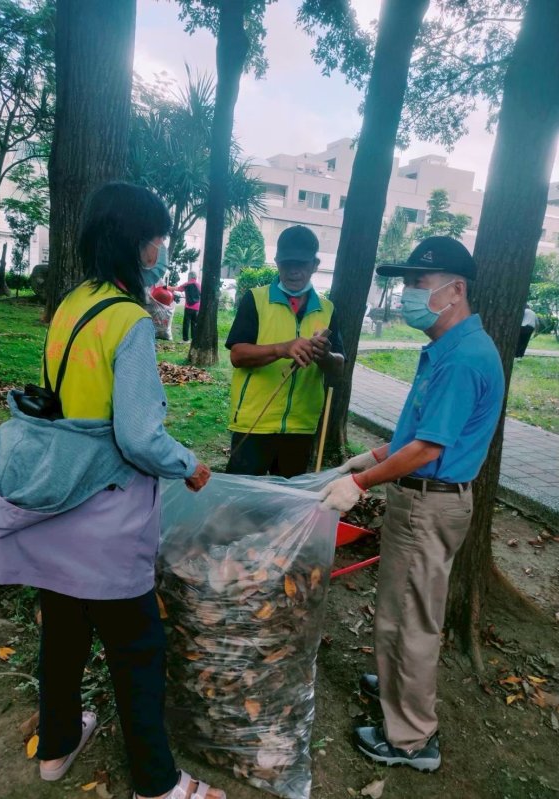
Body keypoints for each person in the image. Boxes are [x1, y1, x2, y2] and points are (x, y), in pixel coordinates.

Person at [0, 183, 225, 799]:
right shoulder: (128, 320)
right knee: (138, 648)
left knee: (64, 634)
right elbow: (136, 435)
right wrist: (186, 463)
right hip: (108, 510)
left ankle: (56, 748)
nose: (161, 246)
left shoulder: (73, 302)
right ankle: (158, 784)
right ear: (135, 241)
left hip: (59, 506)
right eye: (156, 236)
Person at [320, 236, 504, 773]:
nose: (406, 295)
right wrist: (371, 456)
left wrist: (363, 483)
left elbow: (428, 448)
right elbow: (415, 433)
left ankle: (412, 739)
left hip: (430, 504)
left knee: (414, 619)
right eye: (404, 284)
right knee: (401, 607)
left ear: (456, 289)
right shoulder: (447, 349)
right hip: (422, 500)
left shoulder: (464, 359)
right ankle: (397, 682)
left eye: (417, 285)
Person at [225, 225, 344, 478]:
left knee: (287, 511)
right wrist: (282, 348)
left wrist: (324, 355)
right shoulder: (255, 300)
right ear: (277, 262)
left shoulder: (327, 309)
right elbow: (237, 355)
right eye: (287, 263)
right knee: (240, 507)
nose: (293, 270)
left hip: (300, 428)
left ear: (315, 264)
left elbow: (339, 366)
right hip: (254, 422)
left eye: (301, 263)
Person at [170, 271, 201, 342]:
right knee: (194, 323)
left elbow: (178, 289)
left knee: (186, 323)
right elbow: (201, 293)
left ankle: (185, 339)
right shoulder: (198, 285)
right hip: (196, 307)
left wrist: (167, 287)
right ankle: (194, 339)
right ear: (195, 277)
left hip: (188, 307)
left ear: (189, 276)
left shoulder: (186, 284)